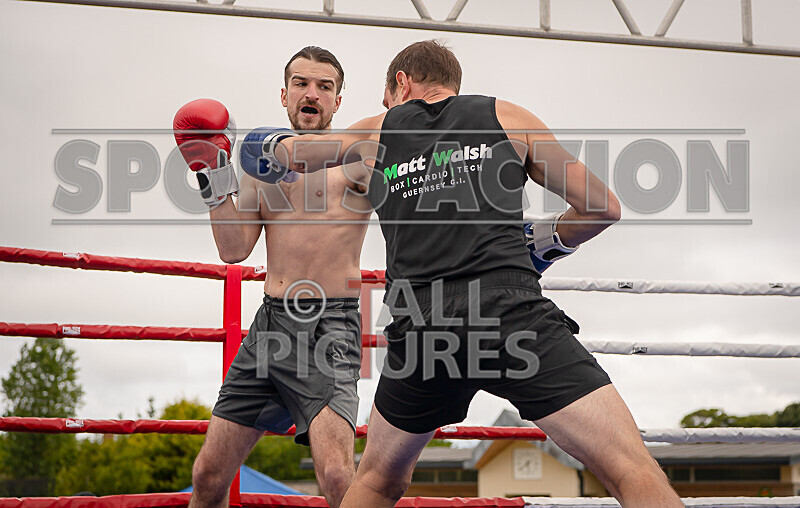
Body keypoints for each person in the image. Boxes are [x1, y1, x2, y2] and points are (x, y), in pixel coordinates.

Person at [260, 40, 684, 507]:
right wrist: (544, 242)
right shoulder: (509, 117)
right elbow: (602, 207)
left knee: (377, 481)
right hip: (509, 312)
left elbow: (294, 155)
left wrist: (254, 144)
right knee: (630, 468)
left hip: (420, 327)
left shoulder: (380, 129)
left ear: (400, 84)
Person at [173, 46, 370, 508]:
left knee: (340, 476)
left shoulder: (355, 163)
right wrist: (212, 171)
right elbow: (233, 249)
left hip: (329, 328)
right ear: (284, 95)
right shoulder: (260, 171)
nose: (312, 94)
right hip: (270, 328)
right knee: (207, 475)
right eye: (301, 83)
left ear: (337, 102)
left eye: (325, 86)